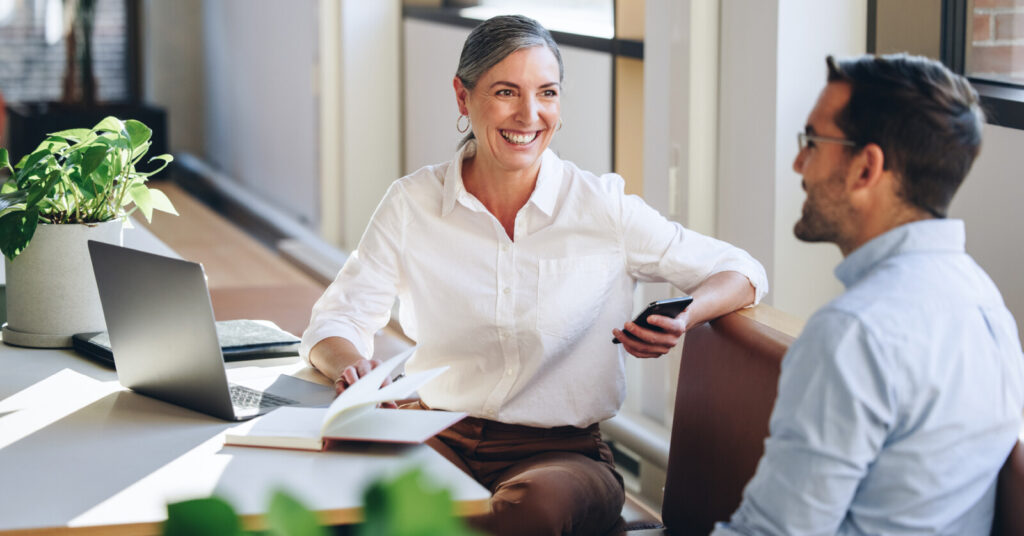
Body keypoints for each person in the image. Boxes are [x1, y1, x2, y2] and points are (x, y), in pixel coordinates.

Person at [301, 15, 767, 536]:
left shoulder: (602, 208)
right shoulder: (413, 203)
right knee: (340, 504)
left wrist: (684, 319)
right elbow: (335, 321)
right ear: (463, 96)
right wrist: (352, 367)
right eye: (506, 91)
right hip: (433, 431)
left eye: (547, 93)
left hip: (561, 457)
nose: (530, 114)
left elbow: (742, 270)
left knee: (526, 515)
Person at [713, 54, 1024, 535]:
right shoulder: (988, 306)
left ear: (865, 169)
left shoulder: (854, 332)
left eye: (812, 142)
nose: (799, 162)